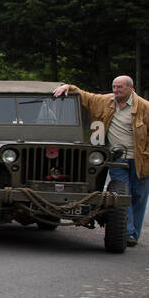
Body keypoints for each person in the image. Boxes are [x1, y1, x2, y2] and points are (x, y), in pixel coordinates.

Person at [54, 75, 149, 246]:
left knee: (139, 196)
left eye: (119, 87)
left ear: (130, 88)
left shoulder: (144, 107)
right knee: (122, 195)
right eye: (114, 87)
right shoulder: (106, 101)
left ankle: (133, 232)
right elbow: (86, 96)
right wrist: (68, 87)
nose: (115, 90)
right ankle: (127, 233)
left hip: (141, 159)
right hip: (117, 160)